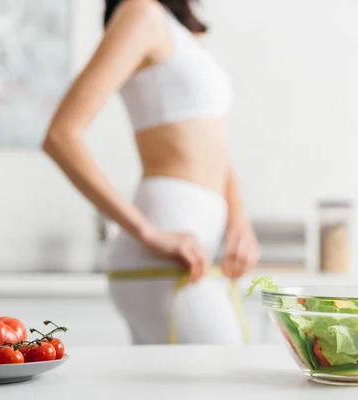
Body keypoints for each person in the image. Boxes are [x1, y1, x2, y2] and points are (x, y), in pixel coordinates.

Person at [42, 0, 261, 345]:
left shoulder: (184, 31)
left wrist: (240, 222)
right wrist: (149, 232)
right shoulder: (139, 12)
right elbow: (60, 136)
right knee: (228, 376)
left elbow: (216, 146)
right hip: (163, 254)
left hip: (194, 251)